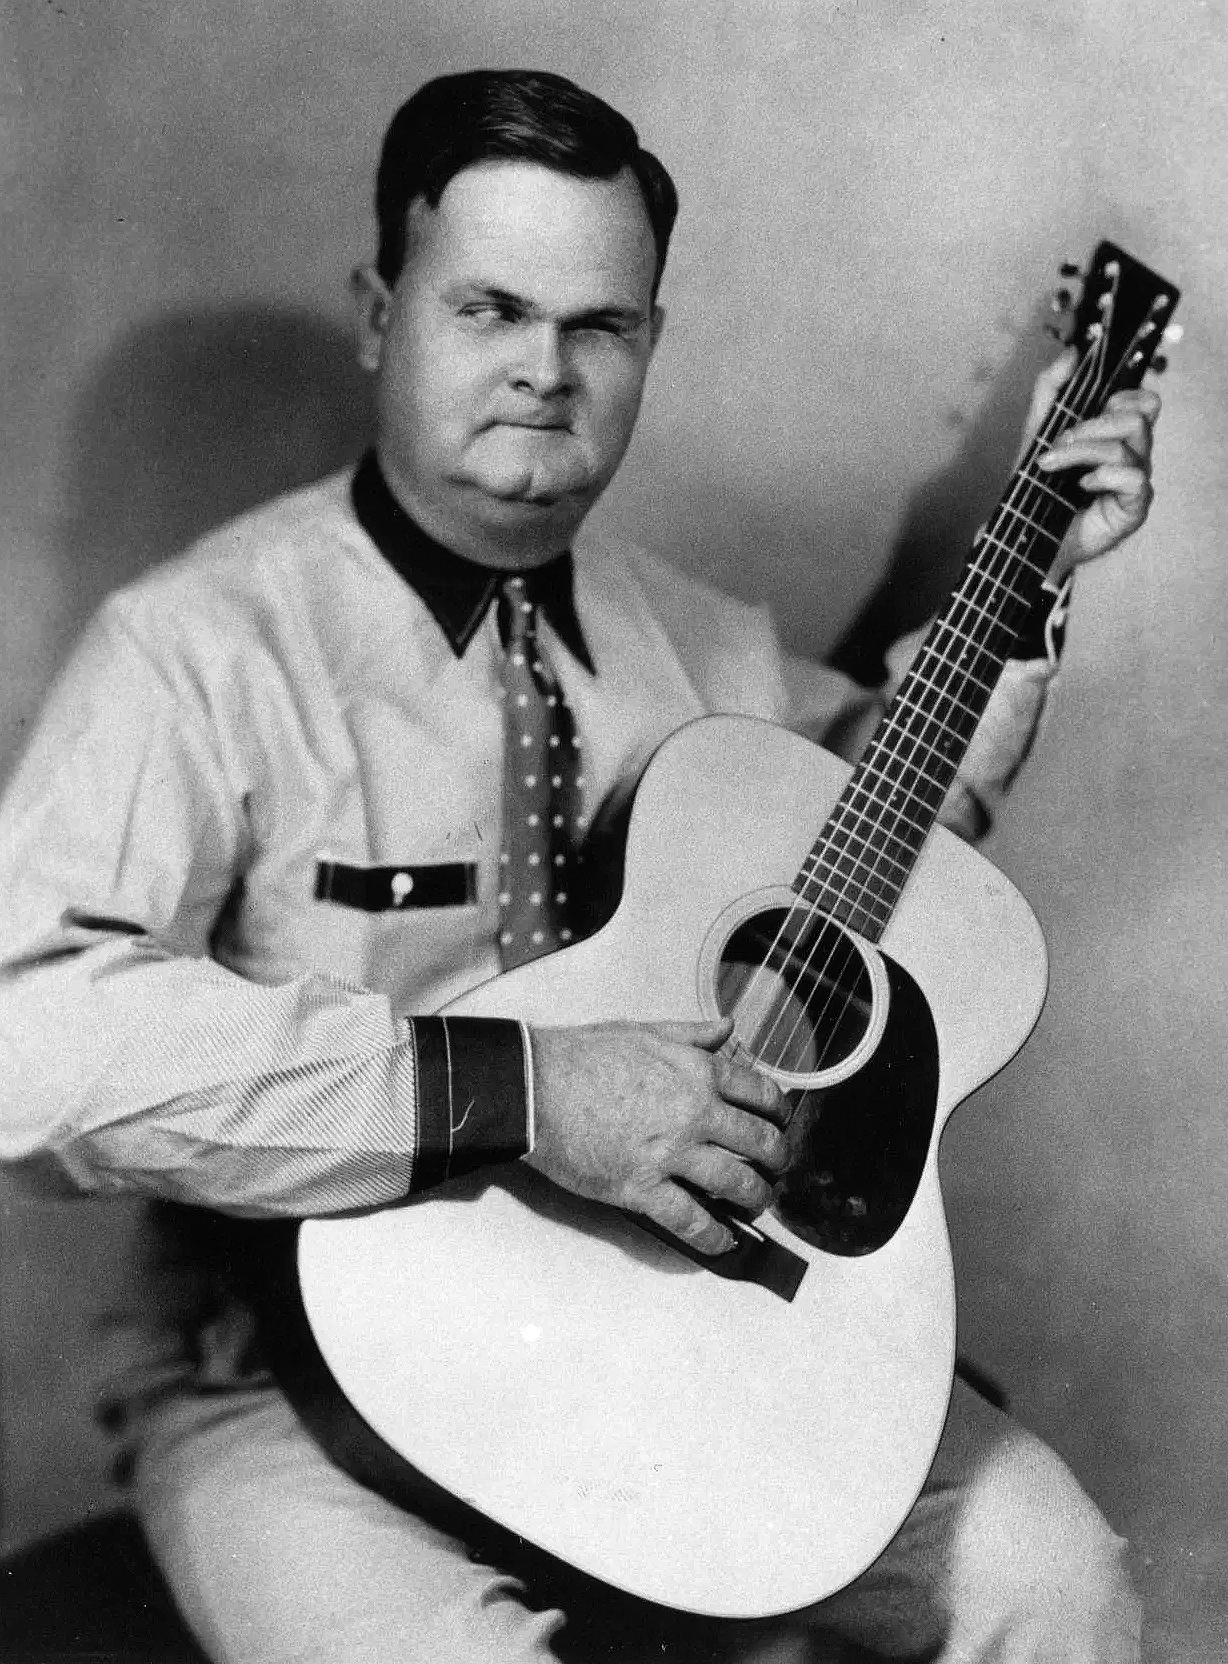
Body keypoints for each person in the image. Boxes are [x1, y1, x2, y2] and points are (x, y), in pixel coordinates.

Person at [0, 68, 1160, 1664]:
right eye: (490, 309)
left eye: (598, 326)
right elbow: (31, 1043)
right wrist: (531, 1090)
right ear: (382, 318)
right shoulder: (200, 651)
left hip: (676, 1321)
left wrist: (1032, 581)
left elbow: (877, 855)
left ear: (649, 346)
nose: (545, 371)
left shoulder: (711, 645)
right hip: (285, 1368)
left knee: (1057, 1578)